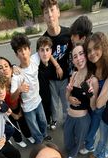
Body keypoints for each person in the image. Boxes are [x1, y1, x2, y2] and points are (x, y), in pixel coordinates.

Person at [10, 33, 52, 144]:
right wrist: (19, 89)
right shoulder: (16, 76)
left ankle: (44, 135)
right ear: (16, 54)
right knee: (34, 127)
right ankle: (40, 142)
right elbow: (12, 97)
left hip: (38, 100)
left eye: (25, 49)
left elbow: (46, 52)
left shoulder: (35, 58)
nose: (23, 53)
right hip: (27, 107)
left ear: (29, 49)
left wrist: (55, 65)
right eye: (20, 50)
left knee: (43, 121)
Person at [80, 32, 108, 155]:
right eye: (89, 51)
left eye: (96, 48)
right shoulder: (91, 69)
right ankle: (90, 144)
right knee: (88, 129)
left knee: (92, 132)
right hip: (90, 105)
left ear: (103, 48)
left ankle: (90, 147)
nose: (92, 53)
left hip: (101, 110)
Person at [64, 42, 98, 158]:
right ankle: (71, 150)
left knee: (79, 140)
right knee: (67, 140)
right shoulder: (73, 75)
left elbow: (94, 107)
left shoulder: (92, 80)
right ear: (73, 61)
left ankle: (74, 153)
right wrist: (68, 96)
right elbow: (67, 95)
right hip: (69, 116)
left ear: (86, 56)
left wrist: (91, 95)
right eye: (75, 56)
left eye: (81, 54)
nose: (78, 58)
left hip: (82, 119)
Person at [41, 0, 71, 129]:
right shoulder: (43, 39)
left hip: (66, 78)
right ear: (43, 17)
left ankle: (66, 120)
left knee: (66, 103)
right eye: (46, 12)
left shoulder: (68, 33)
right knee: (53, 104)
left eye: (52, 10)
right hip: (51, 79)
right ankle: (54, 120)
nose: (50, 15)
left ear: (58, 12)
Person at [0, 56, 35, 147]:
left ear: (10, 68)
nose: (4, 69)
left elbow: (21, 96)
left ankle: (28, 135)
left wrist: (20, 110)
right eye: (0, 68)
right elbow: (2, 103)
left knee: (23, 123)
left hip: (18, 107)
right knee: (14, 127)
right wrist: (13, 115)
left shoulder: (16, 78)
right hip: (7, 112)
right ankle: (18, 140)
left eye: (6, 66)